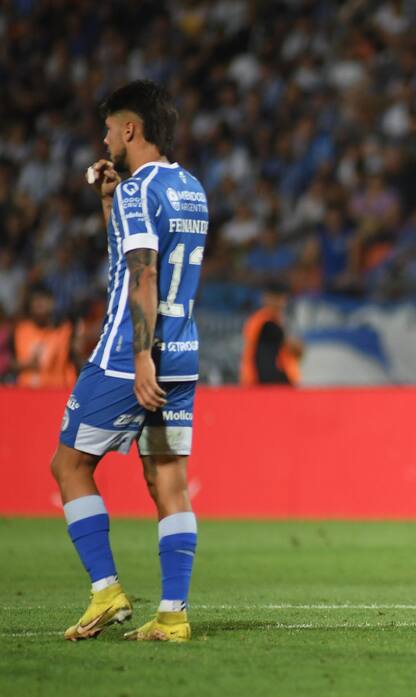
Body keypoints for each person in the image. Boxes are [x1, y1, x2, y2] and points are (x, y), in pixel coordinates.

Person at [49, 81, 207, 642]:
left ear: (131, 130)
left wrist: (140, 357)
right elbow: (131, 257)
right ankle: (172, 615)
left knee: (69, 467)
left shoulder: (141, 189)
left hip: (125, 357)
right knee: (167, 479)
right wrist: (109, 202)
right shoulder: (191, 188)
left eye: (110, 128)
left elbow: (141, 274)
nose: (106, 138)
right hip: (182, 356)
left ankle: (106, 591)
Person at [13, 283, 77, 387]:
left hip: (55, 391)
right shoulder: (21, 329)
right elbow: (10, 362)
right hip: (25, 390)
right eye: (35, 300)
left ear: (52, 303)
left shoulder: (65, 329)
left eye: (43, 299)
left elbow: (75, 356)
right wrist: (26, 364)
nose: (39, 304)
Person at [240, 281, 302, 386]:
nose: (277, 303)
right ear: (265, 298)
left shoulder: (273, 321)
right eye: (274, 298)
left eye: (280, 298)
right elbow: (295, 349)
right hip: (264, 383)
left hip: (259, 382)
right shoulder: (266, 324)